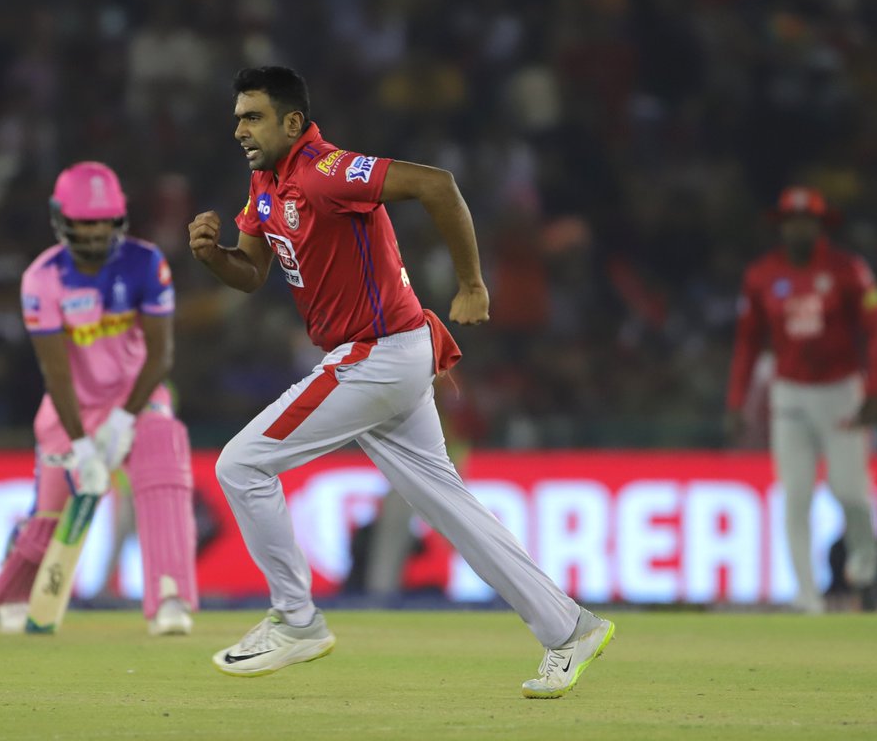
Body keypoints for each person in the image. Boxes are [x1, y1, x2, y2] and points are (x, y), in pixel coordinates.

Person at [188, 66, 612, 698]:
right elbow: (252, 274)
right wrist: (215, 258)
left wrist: (472, 283)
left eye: (253, 116)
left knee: (241, 465)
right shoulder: (266, 183)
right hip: (390, 354)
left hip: (376, 355)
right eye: (237, 116)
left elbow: (437, 185)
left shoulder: (327, 171)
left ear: (293, 123)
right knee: (450, 506)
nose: (239, 128)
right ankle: (568, 626)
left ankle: (297, 621)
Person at [0, 161, 199, 635]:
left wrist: (123, 421)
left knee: (164, 450)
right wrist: (82, 447)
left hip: (137, 397)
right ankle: (13, 590)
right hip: (70, 410)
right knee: (50, 519)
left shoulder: (146, 263)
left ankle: (170, 597)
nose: (96, 230)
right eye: (86, 220)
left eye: (104, 219)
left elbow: (160, 356)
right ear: (63, 219)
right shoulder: (43, 279)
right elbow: (56, 373)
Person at [726, 185, 877, 613]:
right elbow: (746, 343)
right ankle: (806, 595)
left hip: (841, 392)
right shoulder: (761, 275)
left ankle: (866, 566)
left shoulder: (849, 270)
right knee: (795, 495)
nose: (798, 228)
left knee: (851, 492)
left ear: (820, 226)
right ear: (781, 226)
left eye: (806, 221)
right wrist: (736, 401)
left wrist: (873, 391)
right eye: (791, 221)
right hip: (790, 395)